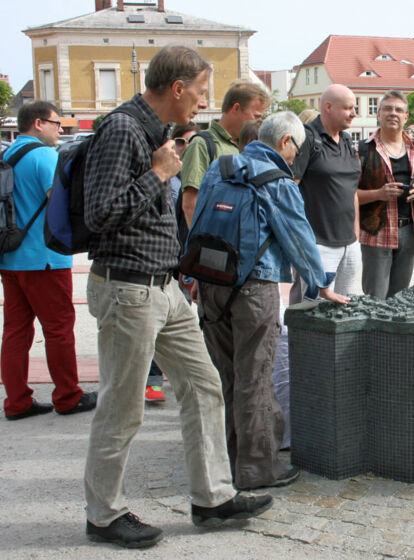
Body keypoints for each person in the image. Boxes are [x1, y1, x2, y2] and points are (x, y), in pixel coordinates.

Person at [83, 45, 272, 549]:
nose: (204, 102)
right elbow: (99, 214)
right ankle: (103, 514)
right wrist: (159, 175)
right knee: (123, 406)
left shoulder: (156, 133)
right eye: (203, 91)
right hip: (127, 288)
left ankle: (212, 498)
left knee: (204, 384)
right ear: (178, 88)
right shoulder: (122, 129)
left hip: (162, 287)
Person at [196, 111, 349, 490]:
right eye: (298, 148)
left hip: (211, 282)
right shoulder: (279, 181)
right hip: (254, 287)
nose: (297, 156)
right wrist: (320, 285)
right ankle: (255, 470)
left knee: (225, 376)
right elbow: (300, 240)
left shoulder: (221, 166)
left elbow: (198, 219)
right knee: (256, 379)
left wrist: (191, 275)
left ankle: (228, 462)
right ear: (284, 142)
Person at [1, 101, 97, 420]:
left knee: (15, 331)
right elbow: (57, 203)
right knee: (58, 328)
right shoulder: (44, 155)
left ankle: (17, 401)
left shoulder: (7, 155)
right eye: (57, 124)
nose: (61, 130)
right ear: (39, 123)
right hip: (44, 258)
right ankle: (68, 396)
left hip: (10, 256)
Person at [357, 90, 414, 299]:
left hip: (409, 231)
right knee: (374, 298)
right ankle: (373, 332)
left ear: (406, 116)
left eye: (398, 110)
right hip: (377, 231)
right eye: (387, 108)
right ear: (379, 114)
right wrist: (378, 193)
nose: (392, 113)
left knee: (400, 299)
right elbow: (348, 195)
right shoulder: (363, 150)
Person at [289, 84, 361, 303]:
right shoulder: (307, 138)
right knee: (314, 314)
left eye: (354, 108)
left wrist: (355, 233)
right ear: (328, 107)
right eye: (348, 108)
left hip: (349, 244)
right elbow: (289, 191)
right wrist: (302, 242)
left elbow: (352, 190)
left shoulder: (347, 140)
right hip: (318, 245)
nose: (354, 113)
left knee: (343, 311)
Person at [147, 122, 201, 403]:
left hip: (190, 261)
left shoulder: (200, 176)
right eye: (180, 142)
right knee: (160, 325)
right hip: (168, 263)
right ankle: (153, 380)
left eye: (192, 142)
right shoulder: (167, 178)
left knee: (189, 326)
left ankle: (191, 380)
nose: (186, 147)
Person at [180, 80, 268, 226]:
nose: (259, 122)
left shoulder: (245, 145)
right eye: (256, 116)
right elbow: (190, 204)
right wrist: (203, 245)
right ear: (236, 108)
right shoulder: (202, 144)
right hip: (213, 243)